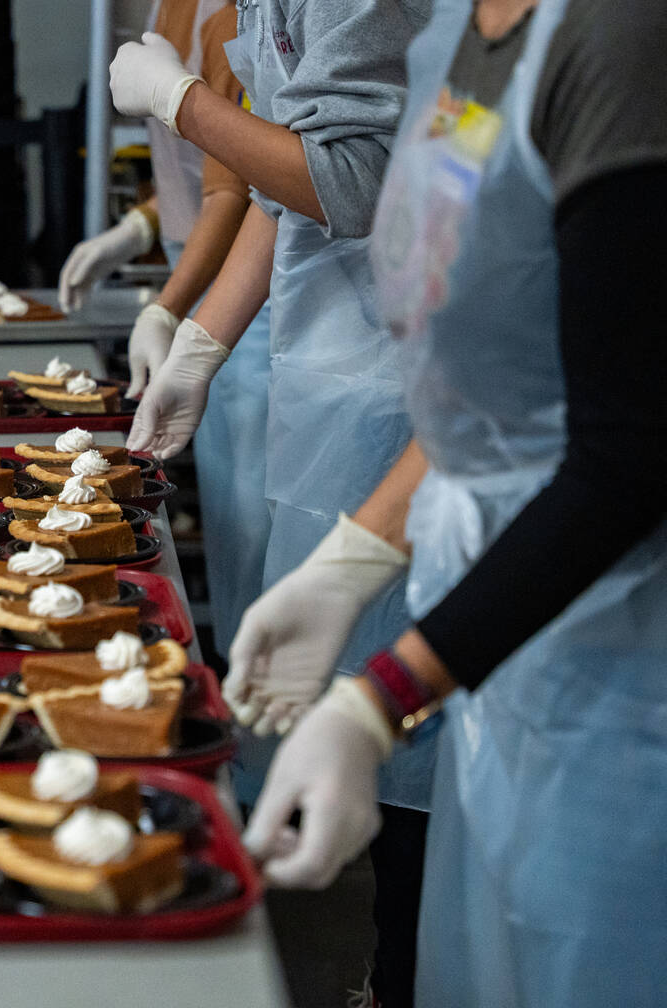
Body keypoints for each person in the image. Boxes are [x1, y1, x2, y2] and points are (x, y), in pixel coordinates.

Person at [240, 0, 667, 1001]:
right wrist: (356, 561)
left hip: (619, 651)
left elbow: (629, 454)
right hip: (499, 637)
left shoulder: (617, 42)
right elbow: (488, 377)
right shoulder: (458, 45)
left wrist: (386, 696)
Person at [111, 3, 434, 1004]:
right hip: (375, 382)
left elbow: (349, 181)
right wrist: (200, 335)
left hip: (411, 385)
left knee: (445, 803)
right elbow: (283, 185)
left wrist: (181, 101)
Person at [59, 0, 272, 659]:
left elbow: (238, 189)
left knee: (265, 536)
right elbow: (198, 165)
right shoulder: (175, 7)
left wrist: (170, 308)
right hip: (204, 269)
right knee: (237, 529)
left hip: (247, 294)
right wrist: (139, 229)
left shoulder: (239, 16)